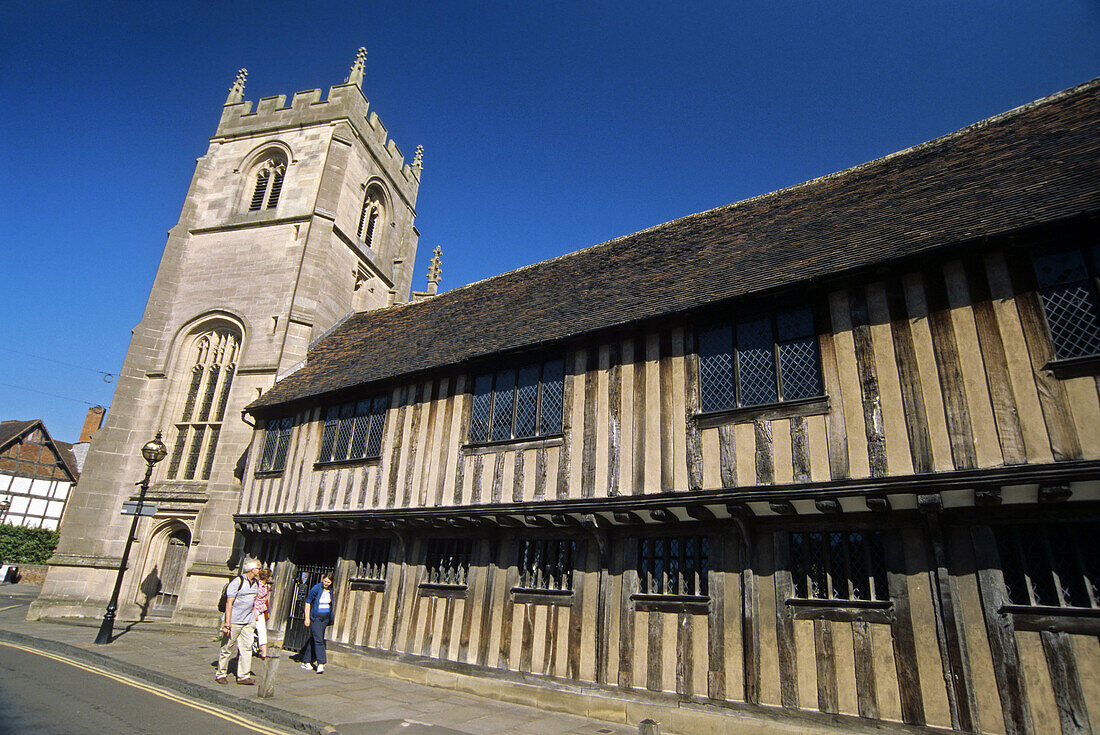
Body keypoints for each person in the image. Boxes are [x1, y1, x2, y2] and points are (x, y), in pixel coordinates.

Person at [216, 559, 260, 685]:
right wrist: (227, 623)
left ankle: (243, 676)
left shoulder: (256, 583)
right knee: (227, 648)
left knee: (246, 648)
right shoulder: (237, 582)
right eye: (258, 568)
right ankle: (221, 674)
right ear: (252, 570)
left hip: (248, 621)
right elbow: (229, 603)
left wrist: (254, 615)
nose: (260, 570)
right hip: (234, 621)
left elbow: (253, 600)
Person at [300, 573, 334, 674]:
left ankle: (306, 661)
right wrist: (307, 618)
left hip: (325, 618)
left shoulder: (331, 590)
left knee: (314, 638)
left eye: (328, 582)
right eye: (325, 581)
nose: (326, 584)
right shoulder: (316, 588)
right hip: (316, 618)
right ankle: (321, 663)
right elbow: (308, 602)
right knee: (319, 640)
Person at [253, 567, 272, 660]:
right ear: (267, 577)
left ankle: (264, 652)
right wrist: (254, 612)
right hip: (254, 610)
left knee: (262, 630)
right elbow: (253, 598)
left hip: (261, 610)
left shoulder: (267, 586)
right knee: (249, 630)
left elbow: (266, 598)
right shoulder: (256, 585)